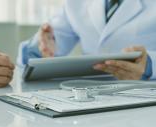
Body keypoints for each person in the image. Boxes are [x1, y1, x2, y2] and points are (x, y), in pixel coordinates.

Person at [17, 0, 156, 80]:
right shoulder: (77, 3)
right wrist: (40, 46)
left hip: (145, 98)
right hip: (89, 98)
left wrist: (150, 65)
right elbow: (51, 40)